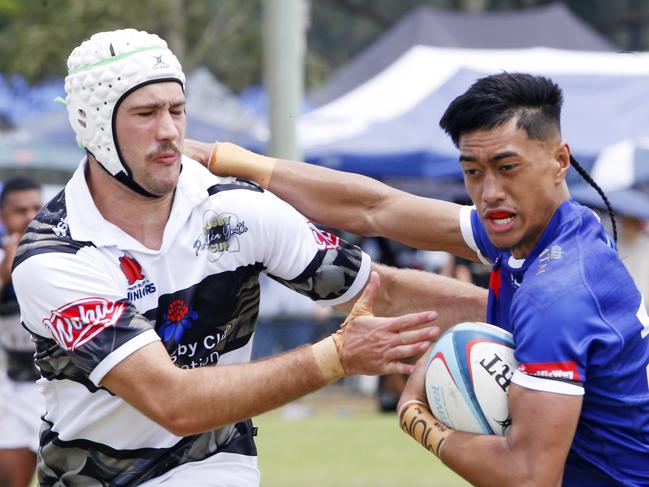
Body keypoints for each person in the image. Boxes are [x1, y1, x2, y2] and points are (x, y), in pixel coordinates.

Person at [11, 29, 487, 486]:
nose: (169, 131)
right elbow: (172, 400)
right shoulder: (55, 253)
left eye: (178, 109)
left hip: (213, 462)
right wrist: (335, 356)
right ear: (90, 124)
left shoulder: (235, 206)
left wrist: (523, 317)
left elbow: (385, 291)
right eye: (146, 113)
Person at [185, 73, 649, 485]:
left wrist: (417, 419)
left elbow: (528, 476)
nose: (490, 193)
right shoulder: (560, 227)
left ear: (560, 160)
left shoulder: (557, 296)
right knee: (382, 284)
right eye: (472, 172)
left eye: (508, 168)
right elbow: (376, 208)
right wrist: (222, 158)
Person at [0, 178, 43, 487]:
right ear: (4, 216)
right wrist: (7, 271)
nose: (30, 216)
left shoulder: (63, 255)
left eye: (36, 208)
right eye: (20, 210)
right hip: (13, 391)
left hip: (57, 388)